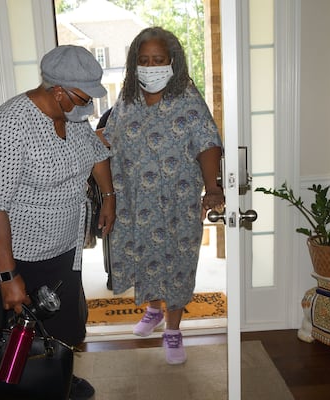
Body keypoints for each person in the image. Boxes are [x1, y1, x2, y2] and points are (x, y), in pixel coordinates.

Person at [0, 45, 116, 399]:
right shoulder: (10, 127)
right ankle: (25, 390)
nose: (89, 106)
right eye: (84, 97)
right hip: (21, 254)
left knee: (65, 325)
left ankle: (58, 379)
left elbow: (98, 155)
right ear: (58, 91)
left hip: (65, 248)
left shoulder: (73, 117)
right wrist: (8, 277)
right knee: (21, 339)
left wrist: (109, 198)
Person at [103, 27, 225, 365]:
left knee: (177, 266)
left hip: (177, 203)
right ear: (134, 64)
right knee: (145, 259)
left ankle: (173, 330)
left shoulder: (186, 96)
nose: (151, 66)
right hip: (133, 203)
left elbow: (207, 143)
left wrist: (213, 188)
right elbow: (109, 139)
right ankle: (153, 310)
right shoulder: (126, 99)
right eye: (144, 60)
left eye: (158, 60)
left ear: (172, 61)